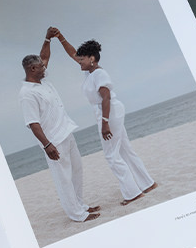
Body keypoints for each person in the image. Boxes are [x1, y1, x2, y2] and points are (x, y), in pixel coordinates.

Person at [55, 33, 158, 206]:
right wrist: (60, 38)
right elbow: (74, 54)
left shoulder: (99, 74)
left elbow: (106, 97)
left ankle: (132, 193)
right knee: (125, 150)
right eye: (79, 59)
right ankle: (147, 183)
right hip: (108, 112)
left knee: (111, 156)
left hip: (108, 112)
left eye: (82, 59)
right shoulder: (90, 73)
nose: (79, 61)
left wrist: (105, 123)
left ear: (92, 58)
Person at [18, 27, 101, 222]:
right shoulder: (27, 94)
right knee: (64, 178)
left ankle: (81, 205)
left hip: (67, 132)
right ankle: (77, 215)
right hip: (54, 140)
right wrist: (47, 145)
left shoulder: (42, 81)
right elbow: (33, 123)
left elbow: (44, 57)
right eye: (41, 67)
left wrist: (48, 39)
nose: (45, 67)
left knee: (77, 172)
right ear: (32, 69)